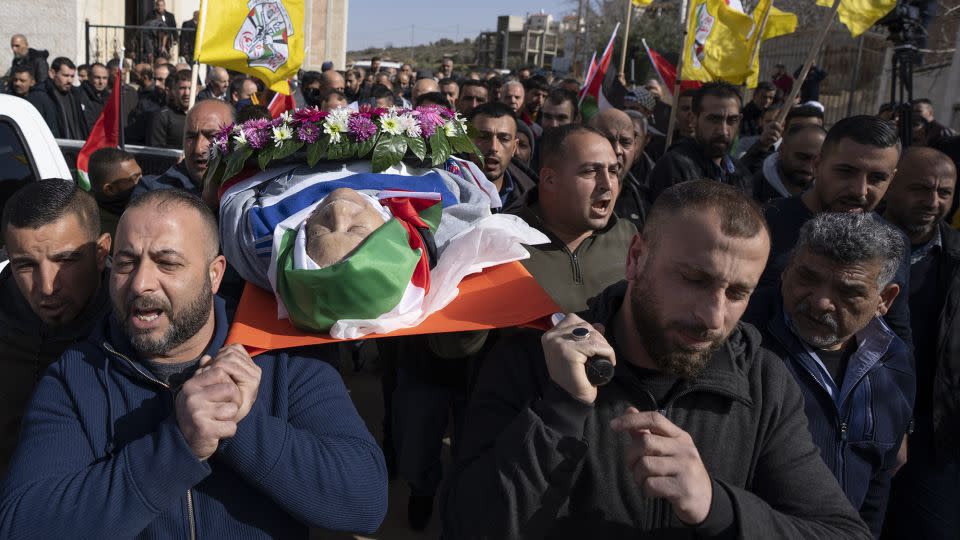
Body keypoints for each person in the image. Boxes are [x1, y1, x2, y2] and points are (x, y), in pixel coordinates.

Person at [444, 180, 873, 539]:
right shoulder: (532, 358)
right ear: (636, 258)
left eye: (738, 293)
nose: (713, 315)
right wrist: (560, 411)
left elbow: (840, 532)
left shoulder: (763, 381)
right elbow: (469, 525)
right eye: (693, 279)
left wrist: (716, 506)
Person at [0, 189, 388, 537]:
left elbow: (365, 502)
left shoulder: (282, 355)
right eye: (126, 263)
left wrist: (240, 423)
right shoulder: (75, 377)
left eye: (167, 263)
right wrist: (179, 446)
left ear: (214, 274)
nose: (140, 284)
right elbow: (24, 524)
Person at [745, 212, 913, 536]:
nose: (822, 301)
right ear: (787, 268)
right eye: (807, 277)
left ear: (885, 300)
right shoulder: (741, 343)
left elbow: (877, 485)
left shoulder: (894, 364)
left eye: (847, 292)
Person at [757, 115, 913, 348]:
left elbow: (895, 333)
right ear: (817, 165)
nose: (860, 190)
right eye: (846, 172)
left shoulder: (893, 242)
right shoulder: (761, 225)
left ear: (892, 178)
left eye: (877, 177)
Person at [0, 180, 112, 476]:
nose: (47, 286)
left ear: (101, 253)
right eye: (25, 265)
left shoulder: (132, 328)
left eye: (65, 260)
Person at [882, 147, 960, 540]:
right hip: (860, 421)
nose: (933, 202)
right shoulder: (852, 245)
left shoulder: (956, 258)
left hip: (935, 433)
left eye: (944, 192)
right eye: (920, 189)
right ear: (891, 183)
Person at [507, 124, 636, 312]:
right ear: (550, 180)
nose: (607, 184)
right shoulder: (501, 241)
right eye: (590, 171)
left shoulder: (630, 237)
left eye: (613, 171)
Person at [647, 82, 751, 202]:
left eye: (732, 120)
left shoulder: (741, 173)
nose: (723, 131)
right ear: (693, 119)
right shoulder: (674, 167)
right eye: (713, 119)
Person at [136, 99, 234, 197]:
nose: (198, 149)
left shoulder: (246, 192)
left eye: (211, 136)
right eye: (191, 137)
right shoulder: (152, 191)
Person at [468, 102, 533, 210]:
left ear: (514, 147)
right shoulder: (443, 187)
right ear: (468, 142)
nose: (494, 147)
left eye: (504, 139)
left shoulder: (532, 199)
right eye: (483, 137)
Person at [752, 124, 826, 203]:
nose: (809, 168)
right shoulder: (749, 187)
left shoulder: (829, 197)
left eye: (817, 161)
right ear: (782, 150)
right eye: (802, 157)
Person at [26, 56, 88, 139]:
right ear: (52, 73)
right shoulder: (39, 96)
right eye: (65, 75)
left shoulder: (74, 95)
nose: (69, 80)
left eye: (72, 76)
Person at [88, 147, 143, 237]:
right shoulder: (94, 226)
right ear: (109, 189)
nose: (143, 182)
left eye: (141, 175)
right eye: (134, 178)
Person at [148, 69, 191, 149]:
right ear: (174, 90)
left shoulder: (202, 115)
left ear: (197, 90)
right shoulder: (162, 116)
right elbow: (156, 150)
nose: (187, 93)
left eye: (190, 88)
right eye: (182, 88)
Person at [79, 62, 110, 128]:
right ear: (89, 77)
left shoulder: (109, 97)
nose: (101, 82)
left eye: (104, 78)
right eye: (97, 78)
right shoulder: (80, 96)